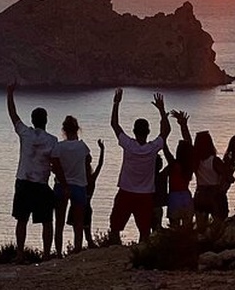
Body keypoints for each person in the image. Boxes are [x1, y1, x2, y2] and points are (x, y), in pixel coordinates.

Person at [109, 88, 171, 244]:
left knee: (115, 227)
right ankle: (142, 252)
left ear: (134, 131)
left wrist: (116, 103)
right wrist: (162, 111)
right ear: (148, 131)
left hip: (126, 192)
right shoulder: (152, 148)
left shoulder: (129, 145)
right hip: (145, 195)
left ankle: (114, 251)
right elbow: (166, 131)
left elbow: (114, 125)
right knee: (144, 230)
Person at [6, 81, 58, 259]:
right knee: (47, 221)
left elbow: (13, 115)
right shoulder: (52, 140)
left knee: (22, 220)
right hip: (41, 185)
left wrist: (9, 93)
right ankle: (45, 255)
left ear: (33, 120)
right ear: (46, 121)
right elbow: (55, 162)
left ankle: (20, 254)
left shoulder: (25, 133)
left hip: (23, 182)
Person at [51, 115, 92, 255]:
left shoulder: (58, 147)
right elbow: (88, 167)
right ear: (77, 129)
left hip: (61, 187)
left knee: (59, 222)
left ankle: (58, 252)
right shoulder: (83, 147)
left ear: (64, 130)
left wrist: (64, 183)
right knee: (78, 223)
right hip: (79, 186)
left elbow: (55, 167)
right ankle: (77, 249)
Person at [67, 139, 105, 248]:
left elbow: (99, 165)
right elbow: (100, 164)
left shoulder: (80, 177)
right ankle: (83, 248)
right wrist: (102, 150)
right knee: (86, 232)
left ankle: (78, 249)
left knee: (79, 231)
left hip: (79, 205)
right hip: (85, 205)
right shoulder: (90, 178)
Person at [193, 130, 229, 238]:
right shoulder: (214, 160)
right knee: (219, 221)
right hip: (214, 194)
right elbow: (228, 176)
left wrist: (183, 125)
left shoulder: (196, 161)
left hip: (200, 194)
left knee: (200, 227)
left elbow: (187, 140)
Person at [162, 110, 195, 229]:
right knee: (188, 229)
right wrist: (183, 125)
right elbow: (189, 144)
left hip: (174, 197)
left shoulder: (173, 164)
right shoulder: (189, 165)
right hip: (186, 196)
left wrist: (163, 129)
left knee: (174, 229)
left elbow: (164, 146)